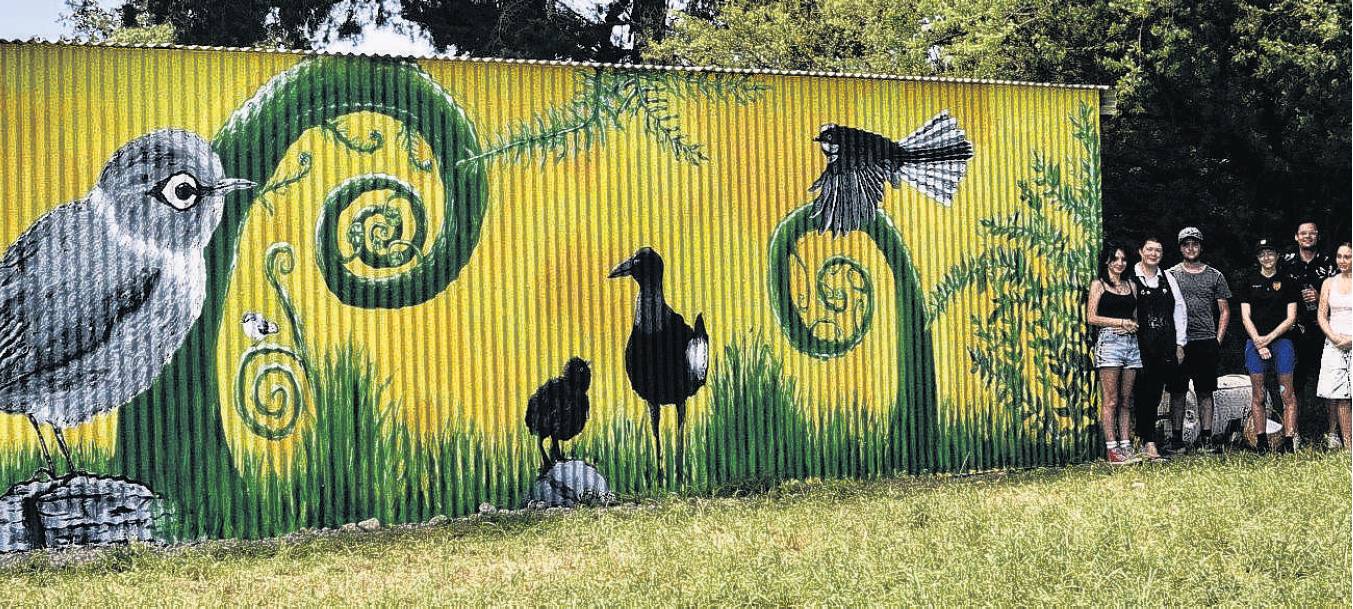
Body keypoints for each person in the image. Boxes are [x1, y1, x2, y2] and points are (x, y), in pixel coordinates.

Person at [1167, 227, 1232, 452]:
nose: (1191, 248)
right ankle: (1177, 439)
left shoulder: (1215, 275)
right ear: (1180, 248)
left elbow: (1224, 310)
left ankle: (1206, 438)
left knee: (1205, 391)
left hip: (1206, 340)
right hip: (1180, 342)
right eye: (1186, 244)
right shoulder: (1170, 275)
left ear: (1201, 247)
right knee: (1177, 391)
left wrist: (1218, 339)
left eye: (1195, 244)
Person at [1279, 221, 1339, 447]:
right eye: (1303, 233)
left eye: (1311, 233)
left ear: (1317, 236)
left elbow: (1343, 296)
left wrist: (1320, 296)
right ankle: (1293, 433)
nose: (1307, 237)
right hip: (1294, 332)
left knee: (1330, 383)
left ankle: (1332, 433)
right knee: (1295, 383)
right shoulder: (1285, 262)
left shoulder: (1329, 262)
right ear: (1296, 237)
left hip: (1324, 331)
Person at [1239, 239, 1301, 453]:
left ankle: (1289, 441)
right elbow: (1245, 317)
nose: (1267, 258)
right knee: (1258, 395)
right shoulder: (1249, 281)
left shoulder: (1288, 282)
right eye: (1262, 254)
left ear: (1277, 255)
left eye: (1270, 253)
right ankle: (1261, 441)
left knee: (1287, 394)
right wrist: (1258, 341)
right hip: (1255, 342)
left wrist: (1268, 339)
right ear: (1257, 258)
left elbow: (1290, 318)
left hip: (1282, 342)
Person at [1130, 237, 1188, 461]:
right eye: (1149, 249)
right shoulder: (1132, 278)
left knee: (1155, 393)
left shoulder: (1168, 278)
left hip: (1164, 345)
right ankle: (1146, 441)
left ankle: (1149, 440)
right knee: (1141, 394)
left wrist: (1180, 344)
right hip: (1139, 345)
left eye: (1158, 250)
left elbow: (1180, 310)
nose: (1153, 254)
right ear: (1141, 252)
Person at [1088, 243, 1142, 464]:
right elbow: (1091, 317)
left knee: (1126, 400)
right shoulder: (1098, 285)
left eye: (1123, 260)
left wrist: (1132, 325)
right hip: (1109, 342)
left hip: (1131, 343)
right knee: (1110, 400)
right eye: (1115, 259)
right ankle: (1112, 449)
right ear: (1107, 262)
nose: (1119, 263)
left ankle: (1126, 445)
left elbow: (1137, 316)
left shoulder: (1131, 285)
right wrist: (1119, 322)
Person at [1315, 242, 1352, 448]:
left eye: (1348, 257)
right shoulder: (1329, 283)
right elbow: (1321, 314)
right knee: (1341, 395)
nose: (1343, 261)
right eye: (1340, 256)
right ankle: (1348, 447)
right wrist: (1334, 337)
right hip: (1334, 342)